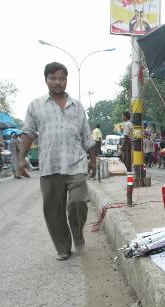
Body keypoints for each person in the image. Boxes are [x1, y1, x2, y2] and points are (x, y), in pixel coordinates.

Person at [18, 62, 96, 261]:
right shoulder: (35, 106)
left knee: (78, 202)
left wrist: (93, 160)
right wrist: (21, 159)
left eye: (61, 78)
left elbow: (87, 136)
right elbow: (27, 133)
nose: (58, 82)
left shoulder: (77, 106)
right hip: (49, 165)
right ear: (46, 80)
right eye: (53, 78)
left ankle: (78, 235)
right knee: (54, 210)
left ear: (66, 80)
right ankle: (63, 247)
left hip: (76, 162)